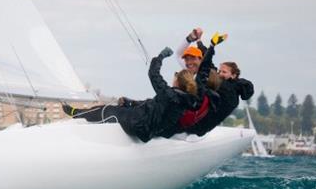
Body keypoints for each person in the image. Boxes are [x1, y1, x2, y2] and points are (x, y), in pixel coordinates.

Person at [63, 45, 215, 142]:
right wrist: (132, 103)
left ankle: (76, 112)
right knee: (124, 106)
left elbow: (153, 74)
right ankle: (125, 105)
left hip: (139, 126)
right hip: (149, 126)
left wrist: (160, 57)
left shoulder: (169, 94)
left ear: (178, 83)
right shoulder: (191, 100)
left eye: (175, 77)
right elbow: (156, 105)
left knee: (106, 110)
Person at [179, 51, 254, 137]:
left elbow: (208, 70)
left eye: (224, 72)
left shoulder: (227, 90)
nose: (220, 74)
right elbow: (211, 69)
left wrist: (210, 48)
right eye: (220, 71)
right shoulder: (230, 87)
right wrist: (206, 47)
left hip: (195, 128)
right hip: (199, 127)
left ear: (233, 75)